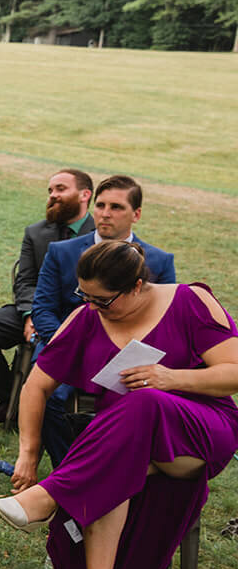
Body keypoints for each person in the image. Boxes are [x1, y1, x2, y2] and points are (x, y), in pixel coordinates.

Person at [0, 241, 238, 569]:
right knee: (117, 459)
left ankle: (49, 496)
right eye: (84, 296)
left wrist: (171, 379)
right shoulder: (86, 318)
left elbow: (235, 370)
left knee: (144, 403)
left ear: (137, 286)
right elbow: (36, 386)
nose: (92, 307)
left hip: (199, 430)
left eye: (103, 300)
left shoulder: (190, 301)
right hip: (125, 441)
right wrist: (28, 454)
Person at [30, 176, 177, 463]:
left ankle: (116, 466)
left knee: (142, 403)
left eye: (116, 207)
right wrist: (74, 347)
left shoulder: (159, 261)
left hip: (128, 356)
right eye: (100, 205)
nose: (105, 213)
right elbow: (43, 310)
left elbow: (165, 319)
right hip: (69, 349)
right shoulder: (62, 252)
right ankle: (69, 468)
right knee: (48, 398)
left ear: (136, 214)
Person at [0, 168, 93, 423]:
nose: (53, 195)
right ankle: (9, 397)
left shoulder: (100, 234)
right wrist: (32, 313)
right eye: (50, 190)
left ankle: (51, 404)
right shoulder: (35, 232)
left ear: (85, 194)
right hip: (38, 307)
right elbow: (26, 280)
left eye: (61, 189)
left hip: (81, 315)